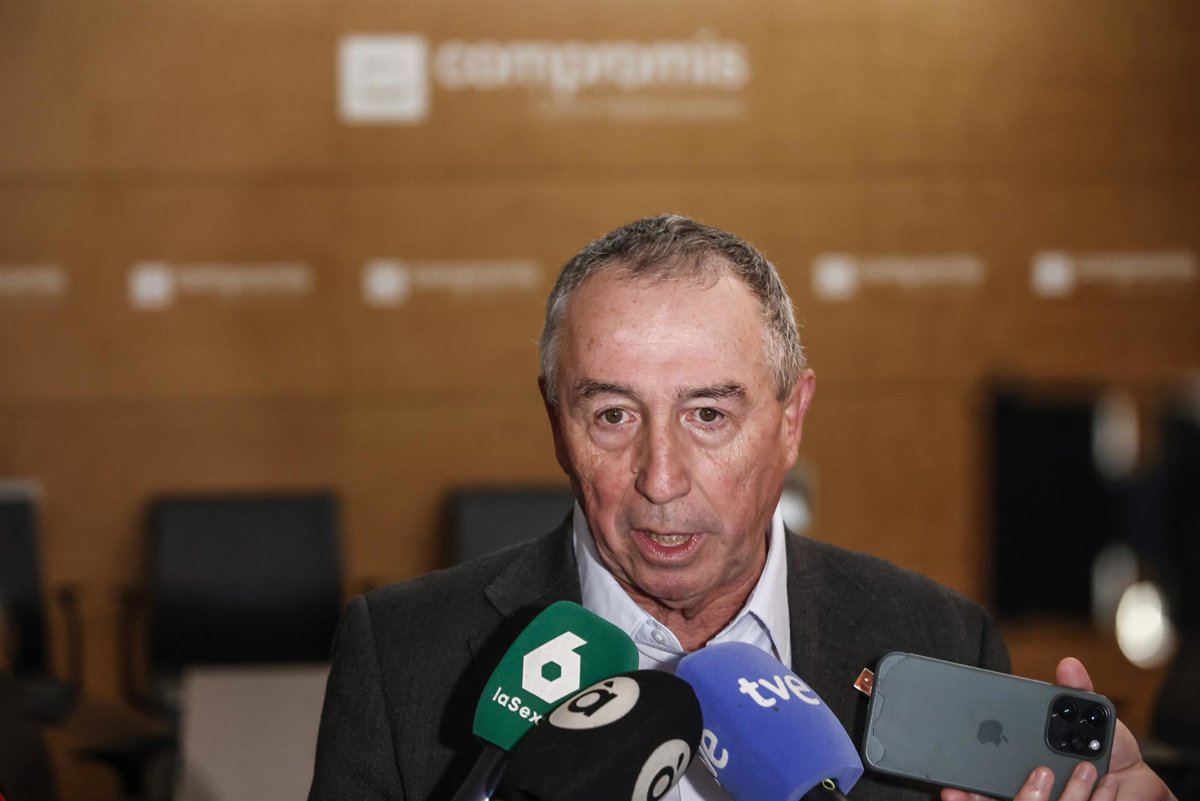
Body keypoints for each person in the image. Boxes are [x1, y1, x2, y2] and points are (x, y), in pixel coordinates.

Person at [308, 215, 1174, 801]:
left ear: (791, 420)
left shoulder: (940, 638)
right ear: (555, 422)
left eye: (709, 415)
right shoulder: (401, 657)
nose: (661, 477)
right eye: (612, 415)